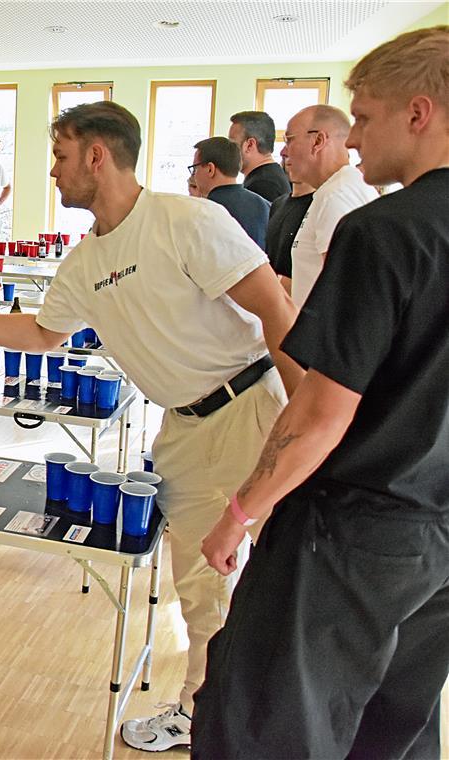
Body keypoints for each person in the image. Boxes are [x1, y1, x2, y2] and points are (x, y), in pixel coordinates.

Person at [0, 101, 300, 752]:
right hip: (185, 427)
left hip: (253, 403)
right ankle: (208, 718)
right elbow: (41, 333)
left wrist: (309, 414)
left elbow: (276, 311)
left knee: (270, 580)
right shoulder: (86, 261)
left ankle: (244, 722)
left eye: (60, 157)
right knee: (204, 588)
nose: (53, 172)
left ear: (97, 156)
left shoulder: (186, 220)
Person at [194, 26, 449, 757]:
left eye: (363, 118)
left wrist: (242, 511)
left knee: (271, 720)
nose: (355, 139)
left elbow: (320, 415)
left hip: (353, 532)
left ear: (419, 113)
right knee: (395, 725)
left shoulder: (386, 232)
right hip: (438, 534)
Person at [281, 104, 378, 307]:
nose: (284, 151)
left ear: (318, 141)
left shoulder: (335, 196)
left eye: (289, 140)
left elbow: (346, 290)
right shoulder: (334, 190)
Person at [189, 136, 271, 246]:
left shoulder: (205, 210)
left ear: (210, 169)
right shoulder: (264, 205)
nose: (194, 175)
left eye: (195, 168)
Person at [228, 111, 292, 202]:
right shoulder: (269, 176)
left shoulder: (263, 185)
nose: (229, 150)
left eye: (233, 144)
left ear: (250, 145)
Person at [265, 175, 314, 292]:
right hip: (275, 295)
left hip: (301, 297)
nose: (287, 157)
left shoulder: (319, 204)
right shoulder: (278, 204)